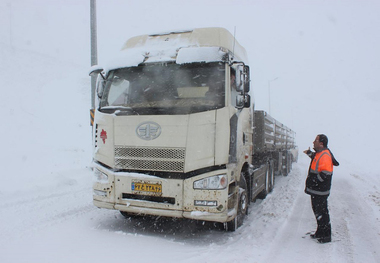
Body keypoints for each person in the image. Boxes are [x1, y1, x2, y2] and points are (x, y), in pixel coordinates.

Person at [304, 134, 339, 243]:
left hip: (320, 190)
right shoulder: (320, 154)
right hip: (318, 190)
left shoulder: (325, 155)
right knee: (318, 212)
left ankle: (326, 236)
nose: (313, 142)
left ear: (321, 143)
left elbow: (325, 173)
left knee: (322, 213)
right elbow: (316, 158)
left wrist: (314, 182)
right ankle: (320, 232)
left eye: (316, 140)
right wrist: (310, 154)